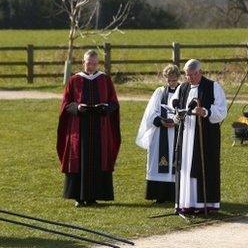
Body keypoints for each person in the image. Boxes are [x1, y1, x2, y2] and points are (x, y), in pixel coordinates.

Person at [56, 50, 121, 207]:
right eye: (88, 62)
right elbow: (66, 104)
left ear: (97, 63)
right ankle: (79, 197)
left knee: (99, 159)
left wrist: (106, 108)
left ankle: (94, 196)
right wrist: (78, 108)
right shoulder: (74, 80)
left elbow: (114, 103)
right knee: (80, 160)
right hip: (80, 129)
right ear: (83, 63)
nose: (91, 66)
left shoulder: (105, 80)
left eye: (94, 63)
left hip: (100, 128)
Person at [169, 59, 227, 214]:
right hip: (186, 133)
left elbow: (221, 110)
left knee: (203, 166)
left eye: (193, 75)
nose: (190, 78)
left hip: (205, 134)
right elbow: (173, 103)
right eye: (187, 75)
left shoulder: (212, 87)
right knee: (186, 166)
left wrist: (206, 112)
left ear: (200, 72)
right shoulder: (183, 87)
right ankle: (186, 203)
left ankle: (205, 204)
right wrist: (177, 112)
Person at [136, 64, 180, 203]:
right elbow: (150, 113)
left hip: (178, 132)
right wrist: (161, 121)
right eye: (169, 80)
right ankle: (159, 195)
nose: (171, 83)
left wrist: (176, 120)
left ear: (178, 77)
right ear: (165, 78)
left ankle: (176, 195)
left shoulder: (183, 90)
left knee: (177, 162)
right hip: (161, 133)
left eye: (174, 80)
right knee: (158, 163)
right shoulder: (160, 92)